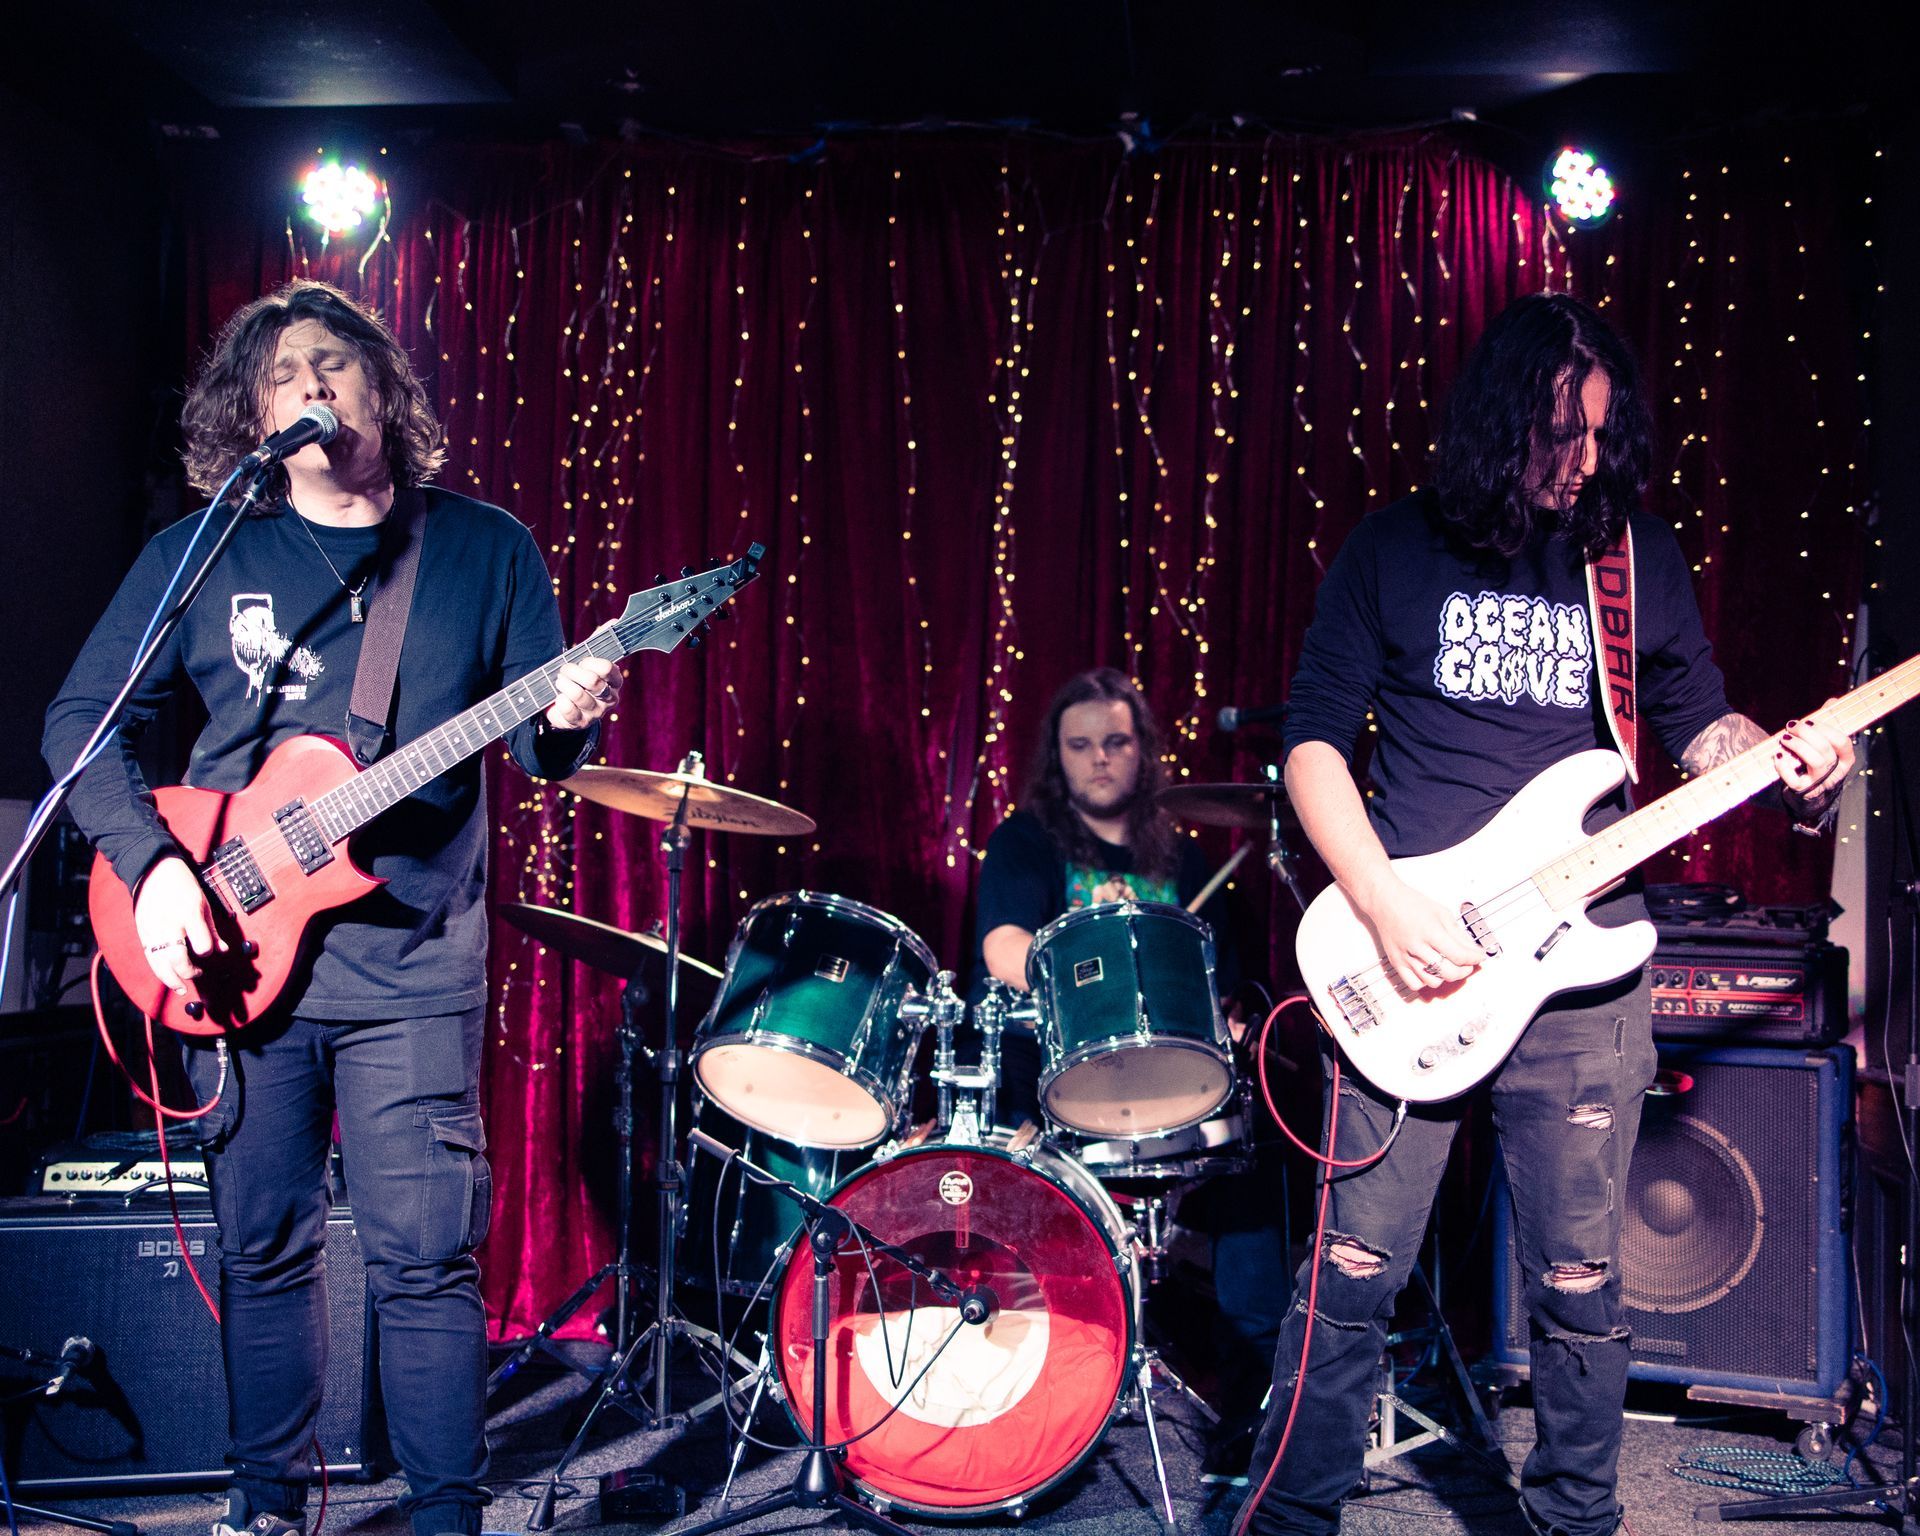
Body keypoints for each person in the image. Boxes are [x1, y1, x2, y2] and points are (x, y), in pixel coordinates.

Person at [1238, 291, 1855, 1536]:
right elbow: (1312, 743)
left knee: (1580, 1277)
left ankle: (1576, 1518)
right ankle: (1290, 1517)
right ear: (1495, 421)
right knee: (1353, 1269)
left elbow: (1699, 724)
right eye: (1557, 434)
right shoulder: (1392, 548)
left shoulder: (1633, 557)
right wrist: (1381, 900)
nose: (1580, 461)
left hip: (1582, 971)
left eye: (1598, 436)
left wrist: (1786, 763)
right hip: (1408, 952)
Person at [43, 280, 623, 1536]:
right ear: (252, 414)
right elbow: (82, 723)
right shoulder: (203, 552)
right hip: (231, 950)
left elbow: (541, 748)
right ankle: (263, 1505)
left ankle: (446, 1515)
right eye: (283, 372)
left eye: (335, 362)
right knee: (261, 1246)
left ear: (384, 387)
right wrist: (153, 869)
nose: (311, 384)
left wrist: (570, 714)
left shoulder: (484, 549)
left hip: (413, 960)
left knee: (424, 1254)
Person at [970, 665, 1280, 1480]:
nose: (1099, 758)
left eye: (1115, 741)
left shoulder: (1183, 852)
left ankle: (1249, 1411)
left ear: (1142, 750)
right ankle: (1039, 1393)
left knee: (1256, 1159)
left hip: (1178, 1090)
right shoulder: (1026, 841)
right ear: (1058, 756)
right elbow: (1002, 948)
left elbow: (1226, 985)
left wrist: (1233, 1021)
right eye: (1080, 746)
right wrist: (1085, 944)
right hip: (1064, 1088)